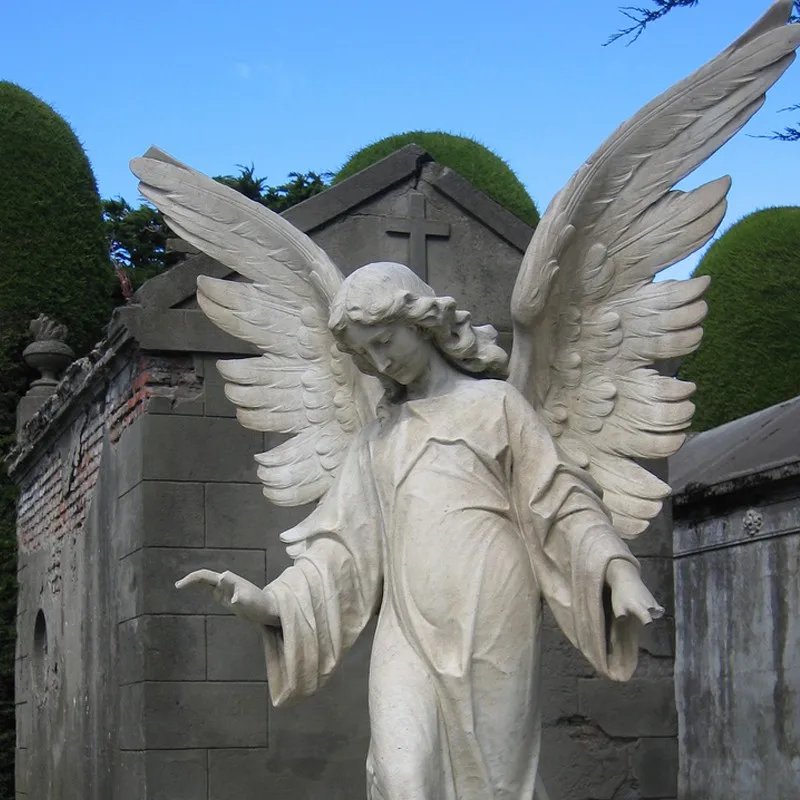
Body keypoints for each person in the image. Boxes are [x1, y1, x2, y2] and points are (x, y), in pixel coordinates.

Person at [178, 262, 662, 800]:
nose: (381, 362)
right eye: (367, 354)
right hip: (404, 622)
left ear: (422, 321)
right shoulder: (375, 440)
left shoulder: (496, 406)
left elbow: (560, 499)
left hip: (491, 607)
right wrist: (270, 604)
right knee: (401, 775)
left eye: (386, 342)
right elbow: (341, 552)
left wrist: (618, 571)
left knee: (497, 782)